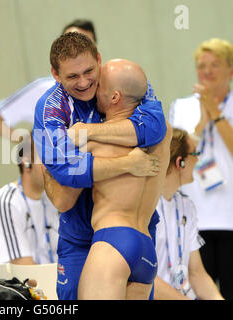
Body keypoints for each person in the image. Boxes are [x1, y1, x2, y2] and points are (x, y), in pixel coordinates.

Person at [33, 32, 167, 300]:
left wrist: (88, 133)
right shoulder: (50, 108)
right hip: (83, 238)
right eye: (72, 77)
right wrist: (127, 163)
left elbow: (155, 126)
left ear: (99, 60)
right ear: (55, 75)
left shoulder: (120, 80)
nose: (84, 83)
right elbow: (66, 175)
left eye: (89, 71)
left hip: (122, 234)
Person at [75, 59, 172, 299]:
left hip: (112, 243)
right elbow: (149, 126)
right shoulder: (165, 133)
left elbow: (59, 160)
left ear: (115, 97)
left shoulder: (92, 143)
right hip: (146, 251)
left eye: (98, 86)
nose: (92, 90)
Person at [169, 38, 233, 300]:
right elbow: (175, 154)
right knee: (195, 292)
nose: (207, 71)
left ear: (232, 69)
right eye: (202, 65)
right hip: (195, 218)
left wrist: (216, 112)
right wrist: (201, 124)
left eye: (215, 64)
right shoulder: (181, 106)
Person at [0, 19, 97, 141]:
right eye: (69, 44)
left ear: (96, 54)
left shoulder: (110, 83)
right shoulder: (44, 89)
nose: (77, 50)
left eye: (84, 44)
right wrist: (30, 146)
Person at [154, 128, 223, 300]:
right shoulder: (147, 206)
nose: (198, 159)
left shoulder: (186, 207)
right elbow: (143, 277)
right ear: (180, 162)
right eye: (195, 153)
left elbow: (197, 273)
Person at [0, 135, 59, 265]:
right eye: (48, 158)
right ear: (26, 162)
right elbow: (24, 272)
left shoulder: (55, 200)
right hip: (22, 284)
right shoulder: (5, 203)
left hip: (52, 281)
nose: (56, 165)